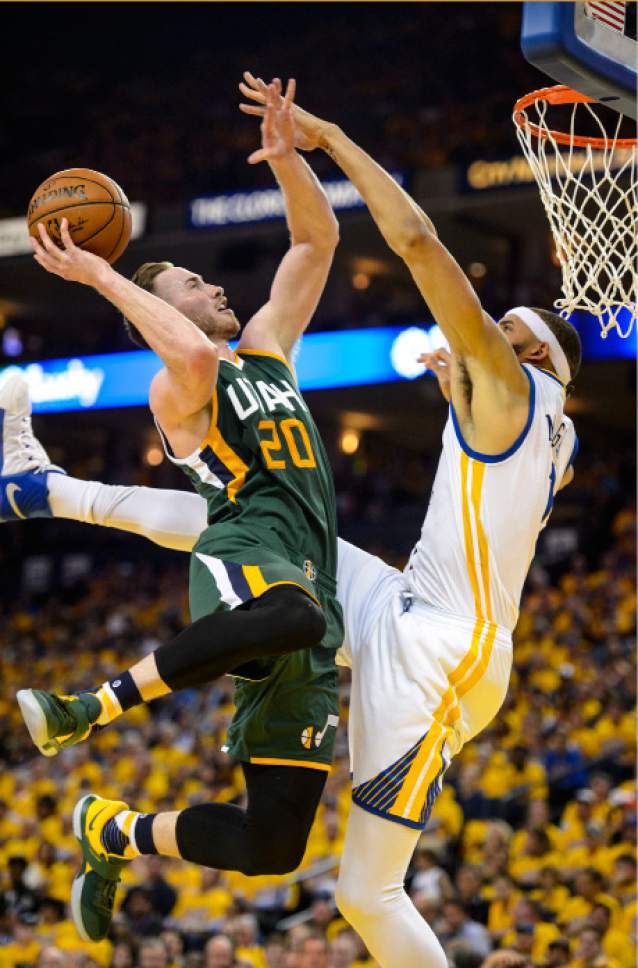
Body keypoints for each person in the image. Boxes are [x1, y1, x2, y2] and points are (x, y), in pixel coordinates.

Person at [1, 78, 581, 967]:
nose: (479, 340)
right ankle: (46, 509)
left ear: (528, 353)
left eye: (499, 333)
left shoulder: (503, 386)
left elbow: (390, 246)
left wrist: (325, 146)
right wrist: (286, 163)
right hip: (349, 578)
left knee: (348, 885)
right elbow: (310, 243)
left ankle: (43, 498)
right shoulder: (546, 423)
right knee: (235, 544)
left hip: (432, 637)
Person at [12, 75, 344, 945]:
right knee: (295, 616)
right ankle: (93, 705)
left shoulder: (267, 352)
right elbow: (191, 347)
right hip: (247, 549)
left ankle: (111, 830)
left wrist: (285, 162)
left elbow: (317, 242)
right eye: (194, 281)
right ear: (164, 307)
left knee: (273, 844)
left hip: (309, 580)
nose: (215, 288)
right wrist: (99, 272)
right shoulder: (177, 386)